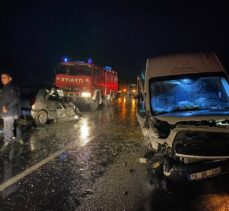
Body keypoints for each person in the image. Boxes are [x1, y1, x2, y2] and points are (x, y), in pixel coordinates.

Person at [0, 72, 20, 147]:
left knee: (7, 129)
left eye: (4, 77)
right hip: (7, 113)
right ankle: (11, 141)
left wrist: (7, 107)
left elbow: (16, 99)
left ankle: (7, 143)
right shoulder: (5, 88)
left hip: (9, 112)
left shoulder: (11, 87)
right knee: (9, 128)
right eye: (1, 77)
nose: (2, 79)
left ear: (10, 78)